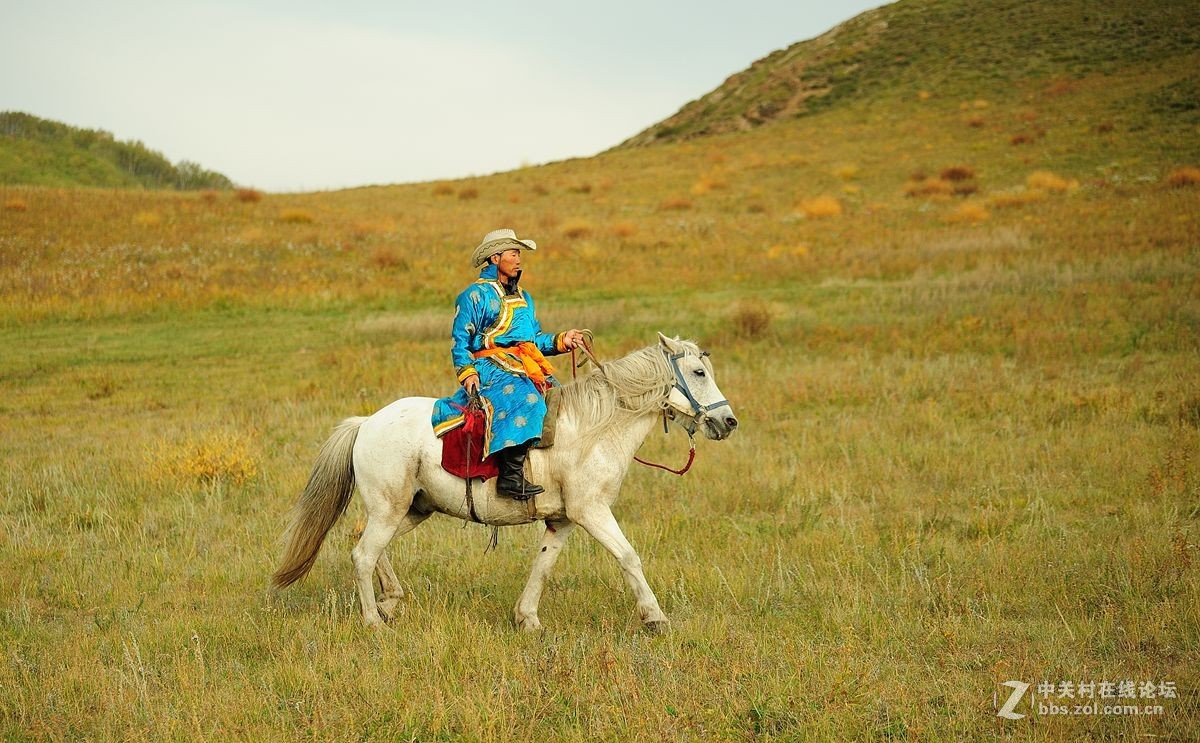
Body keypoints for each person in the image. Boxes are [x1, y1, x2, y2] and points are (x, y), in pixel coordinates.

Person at [431, 229, 586, 499]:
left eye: (519, 254)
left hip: (524, 365)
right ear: (495, 258)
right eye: (513, 254)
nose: (518, 259)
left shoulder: (525, 297)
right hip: (490, 366)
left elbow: (534, 340)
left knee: (560, 398)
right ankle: (510, 477)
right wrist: (467, 372)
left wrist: (563, 340)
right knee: (528, 400)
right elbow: (460, 340)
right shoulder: (474, 295)